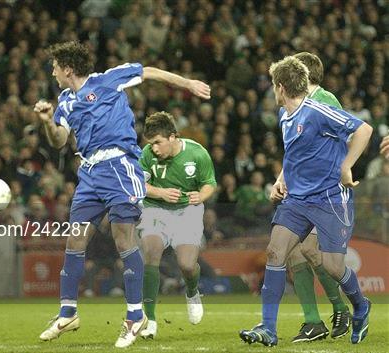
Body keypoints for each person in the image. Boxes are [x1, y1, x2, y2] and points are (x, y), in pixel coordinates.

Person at [35, 41, 210, 348]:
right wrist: (48, 122)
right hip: (88, 172)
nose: (52, 72)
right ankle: (68, 312)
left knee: (123, 239)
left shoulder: (107, 79)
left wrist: (187, 84)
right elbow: (60, 140)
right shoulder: (64, 101)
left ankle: (134, 315)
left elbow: (149, 71)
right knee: (75, 238)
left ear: (68, 69)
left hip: (119, 165)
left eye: (54, 67)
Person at [239, 56, 373, 346]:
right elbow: (295, 154)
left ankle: (360, 306)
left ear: (281, 87)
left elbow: (363, 130)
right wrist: (282, 179)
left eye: (273, 86)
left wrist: (345, 166)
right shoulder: (285, 115)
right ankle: (268, 329)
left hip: (329, 199)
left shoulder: (317, 109)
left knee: (333, 266)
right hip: (298, 200)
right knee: (276, 253)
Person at [279, 52, 351, 342]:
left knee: (308, 251)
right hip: (303, 190)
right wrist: (282, 179)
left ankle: (345, 307)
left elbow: (343, 140)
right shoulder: (297, 108)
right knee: (293, 252)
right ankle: (314, 322)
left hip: (325, 191)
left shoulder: (326, 100)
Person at [136, 112, 217, 339]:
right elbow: (139, 185)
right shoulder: (147, 155)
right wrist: (160, 192)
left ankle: (192, 292)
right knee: (151, 252)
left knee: (187, 265)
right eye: (151, 144)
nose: (154, 149)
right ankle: (149, 319)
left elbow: (210, 183)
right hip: (155, 208)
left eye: (158, 143)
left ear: (172, 137)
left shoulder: (197, 153)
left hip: (187, 210)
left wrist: (200, 197)